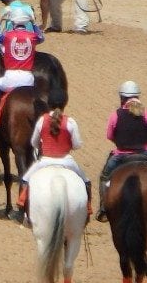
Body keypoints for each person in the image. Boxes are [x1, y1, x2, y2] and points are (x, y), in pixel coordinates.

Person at [16, 87, 92, 222]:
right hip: (67, 161)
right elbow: (77, 145)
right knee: (86, 182)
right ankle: (87, 210)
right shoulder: (70, 122)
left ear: (49, 104)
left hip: (45, 161)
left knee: (25, 180)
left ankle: (24, 209)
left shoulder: (41, 120)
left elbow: (33, 142)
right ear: (65, 103)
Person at [95, 80, 147, 222]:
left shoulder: (116, 115)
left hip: (121, 156)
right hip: (145, 154)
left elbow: (110, 136)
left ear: (122, 98)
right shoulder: (146, 114)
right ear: (138, 97)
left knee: (105, 177)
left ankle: (104, 209)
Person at [0, 8, 44, 108]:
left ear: (12, 22)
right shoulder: (32, 36)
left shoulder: (7, 36)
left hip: (10, 77)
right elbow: (41, 37)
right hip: (28, 79)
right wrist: (34, 23)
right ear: (26, 23)